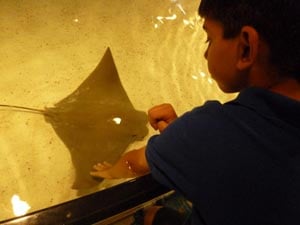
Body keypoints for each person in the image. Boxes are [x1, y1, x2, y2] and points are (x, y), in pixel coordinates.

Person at [90, 0, 300, 224]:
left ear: (246, 47)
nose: (205, 53)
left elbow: (135, 163)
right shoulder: (205, 137)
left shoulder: (209, 131)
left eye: (209, 38)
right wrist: (181, 138)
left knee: (149, 215)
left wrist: (108, 172)